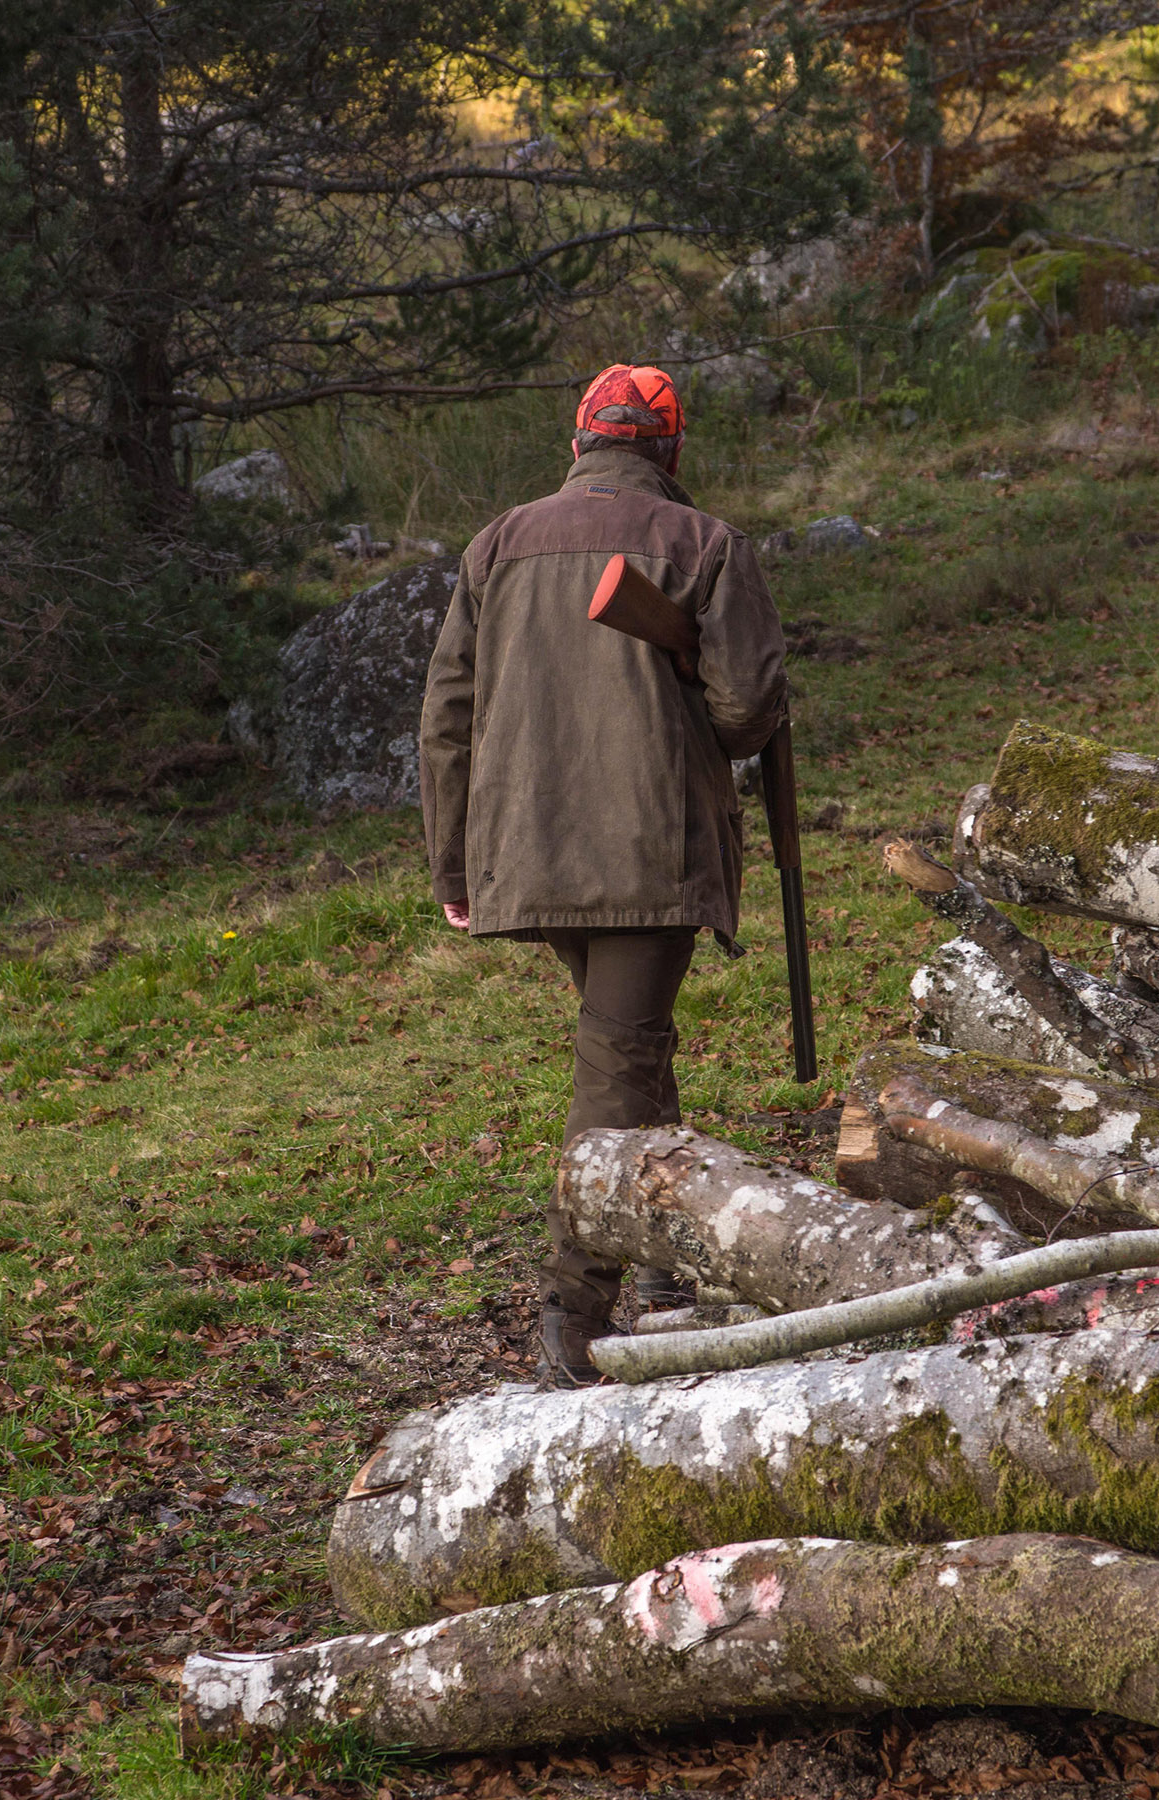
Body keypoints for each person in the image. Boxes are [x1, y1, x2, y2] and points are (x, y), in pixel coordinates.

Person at [417, 364, 787, 1385]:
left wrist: (457, 864)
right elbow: (747, 712)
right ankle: (571, 1318)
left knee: (626, 1048)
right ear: (668, 449)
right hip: (646, 851)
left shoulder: (495, 543)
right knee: (615, 1075)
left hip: (527, 853)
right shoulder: (707, 543)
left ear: (578, 441)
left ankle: (663, 1266)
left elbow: (448, 713)